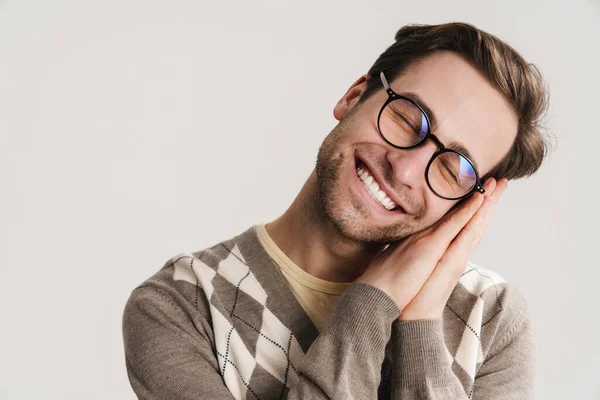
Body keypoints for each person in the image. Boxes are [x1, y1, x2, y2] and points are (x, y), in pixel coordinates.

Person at [122, 22, 549, 399]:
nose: (404, 169)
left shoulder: (490, 316)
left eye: (454, 168)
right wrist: (372, 302)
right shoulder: (180, 306)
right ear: (355, 95)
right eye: (407, 117)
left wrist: (420, 320)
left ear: (470, 201)